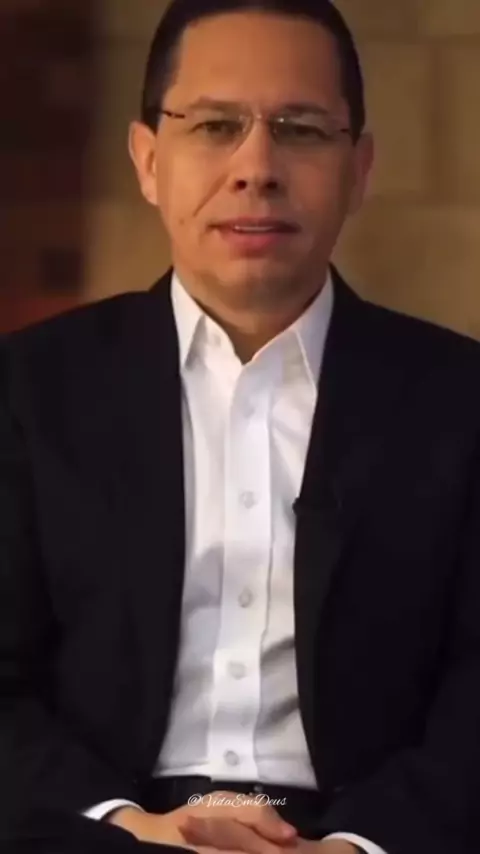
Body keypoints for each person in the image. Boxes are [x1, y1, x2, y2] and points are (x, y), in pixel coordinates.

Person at [1, 0, 480, 852]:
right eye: (215, 126)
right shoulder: (29, 390)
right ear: (148, 160)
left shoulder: (459, 399)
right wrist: (126, 829)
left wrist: (356, 847)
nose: (256, 167)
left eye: (300, 130)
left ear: (360, 168)